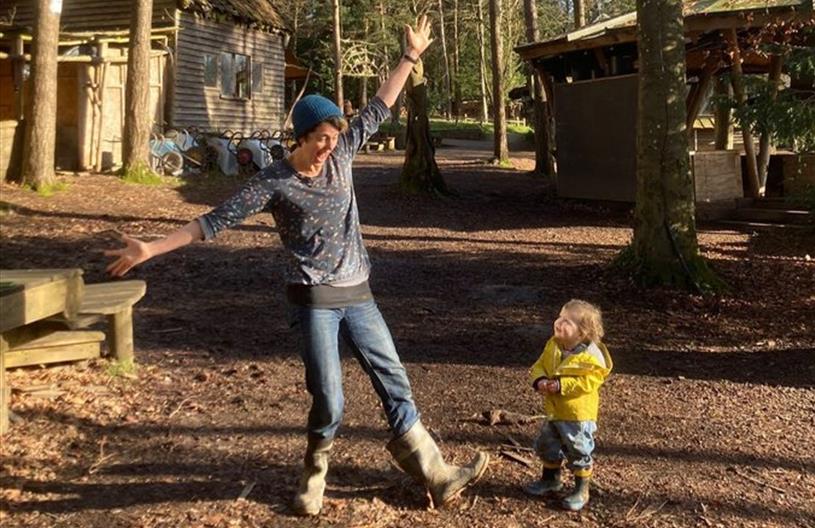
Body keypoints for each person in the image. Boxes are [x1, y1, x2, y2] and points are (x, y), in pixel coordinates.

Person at [104, 16, 487, 516]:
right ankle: (314, 473)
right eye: (321, 138)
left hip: (360, 295)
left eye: (335, 135)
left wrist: (410, 56)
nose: (329, 146)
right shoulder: (274, 182)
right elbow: (212, 223)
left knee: (394, 380)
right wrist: (150, 249)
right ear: (301, 136)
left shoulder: (345, 153)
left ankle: (435, 473)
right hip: (313, 303)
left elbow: (382, 103)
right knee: (330, 400)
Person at [525, 299, 613, 511]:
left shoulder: (591, 357)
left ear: (582, 332)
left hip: (577, 416)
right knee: (548, 444)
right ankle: (550, 479)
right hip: (554, 411)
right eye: (560, 317)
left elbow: (590, 382)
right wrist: (540, 381)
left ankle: (582, 489)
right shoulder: (553, 346)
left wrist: (562, 385)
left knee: (578, 449)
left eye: (567, 321)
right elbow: (539, 366)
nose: (559, 322)